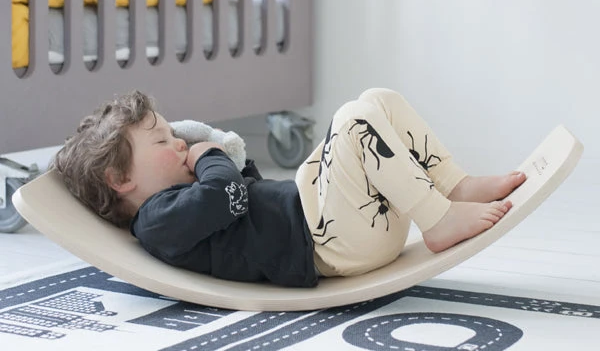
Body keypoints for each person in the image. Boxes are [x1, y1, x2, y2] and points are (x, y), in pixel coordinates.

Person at [53, 88, 525, 287]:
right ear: (121, 179)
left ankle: (453, 186)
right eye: (162, 140)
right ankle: (437, 219)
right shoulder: (157, 219)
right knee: (353, 121)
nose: (180, 142)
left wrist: (230, 158)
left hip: (334, 221)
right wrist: (211, 156)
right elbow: (228, 197)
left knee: (375, 101)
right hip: (328, 242)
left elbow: (249, 199)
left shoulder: (186, 201)